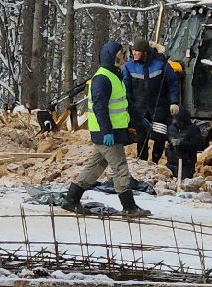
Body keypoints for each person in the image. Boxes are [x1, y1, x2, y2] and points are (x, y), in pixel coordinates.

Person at [60, 40, 151, 217]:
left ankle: (71, 199)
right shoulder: (102, 78)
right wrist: (107, 131)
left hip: (112, 131)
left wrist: (141, 121)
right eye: (122, 55)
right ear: (113, 57)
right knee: (120, 168)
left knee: (95, 166)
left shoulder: (115, 76)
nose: (125, 58)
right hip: (107, 133)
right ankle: (129, 207)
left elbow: (126, 104)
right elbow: (100, 108)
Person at [124, 38, 179, 163]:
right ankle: (142, 161)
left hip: (159, 108)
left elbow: (173, 84)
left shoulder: (161, 64)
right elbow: (126, 88)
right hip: (140, 109)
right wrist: (129, 106)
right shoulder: (129, 67)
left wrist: (174, 102)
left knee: (160, 137)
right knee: (141, 137)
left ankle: (155, 160)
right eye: (133, 51)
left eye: (137, 51)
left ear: (145, 52)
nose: (134, 54)